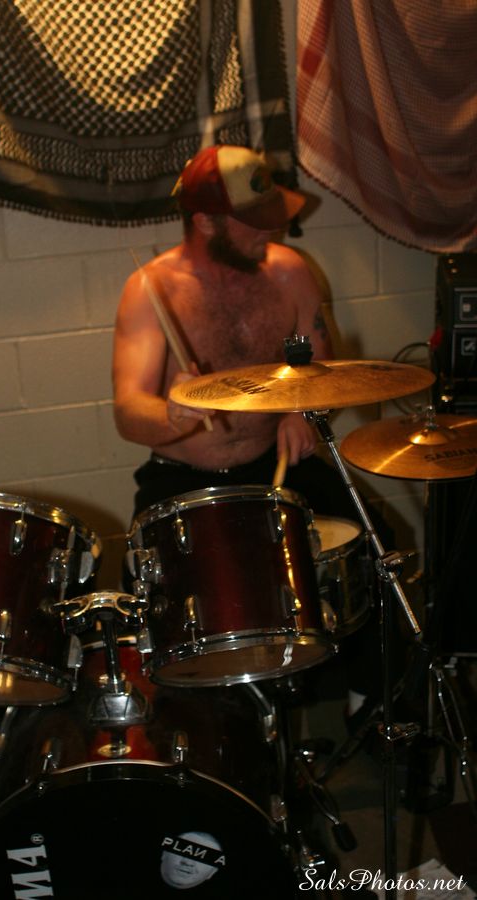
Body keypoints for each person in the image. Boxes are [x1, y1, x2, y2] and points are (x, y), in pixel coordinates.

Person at [112, 144, 397, 718]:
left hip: (276, 465)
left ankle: (371, 704)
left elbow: (321, 369)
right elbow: (127, 412)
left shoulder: (289, 273)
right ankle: (208, 730)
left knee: (377, 549)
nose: (273, 231)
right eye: (255, 221)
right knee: (164, 598)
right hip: (184, 478)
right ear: (205, 222)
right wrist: (171, 414)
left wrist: (301, 413)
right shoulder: (151, 289)